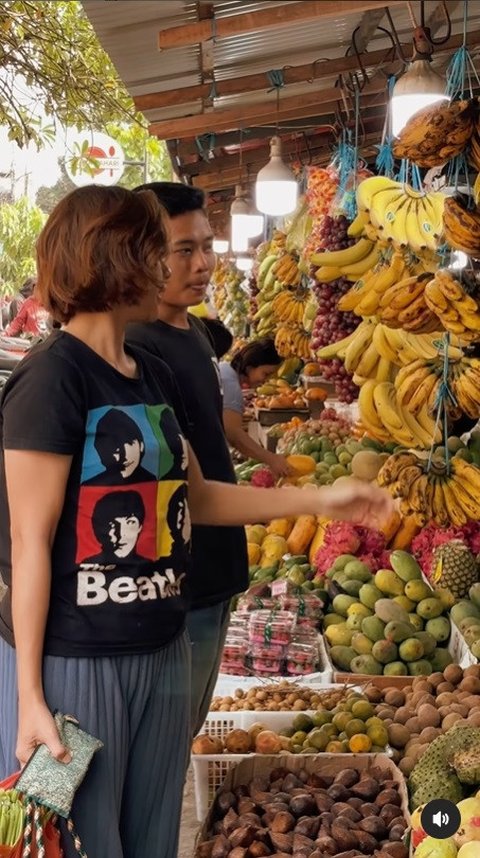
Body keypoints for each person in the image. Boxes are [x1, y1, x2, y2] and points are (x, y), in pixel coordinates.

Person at [0, 184, 393, 858]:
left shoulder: (145, 370)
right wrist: (30, 696)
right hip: (80, 663)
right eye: (157, 248)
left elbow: (199, 498)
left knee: (153, 837)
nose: (171, 264)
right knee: (81, 841)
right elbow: (28, 545)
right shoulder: (52, 380)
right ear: (115, 256)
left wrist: (319, 500)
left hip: (162, 646)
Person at [126, 182, 245, 736]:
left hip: (218, 570)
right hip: (178, 584)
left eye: (207, 245)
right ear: (143, 251)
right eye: (183, 250)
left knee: (188, 729)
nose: (203, 264)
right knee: (169, 743)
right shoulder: (136, 348)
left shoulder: (195, 331)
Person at [220, 338, 294, 478]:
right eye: (265, 374)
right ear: (249, 368)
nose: (265, 380)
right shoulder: (231, 385)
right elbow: (233, 434)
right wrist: (271, 458)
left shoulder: (225, 368)